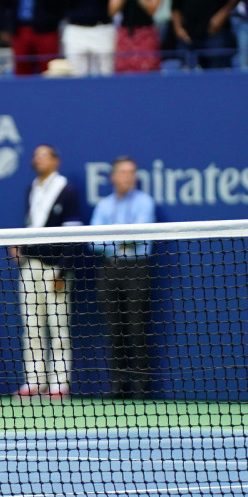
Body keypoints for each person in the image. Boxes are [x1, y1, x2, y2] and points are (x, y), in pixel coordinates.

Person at [13, 144, 81, 400]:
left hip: (55, 269)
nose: (39, 159)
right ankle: (34, 381)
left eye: (45, 155)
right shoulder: (32, 188)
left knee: (58, 326)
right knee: (31, 326)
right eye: (36, 155)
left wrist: (62, 271)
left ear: (56, 160)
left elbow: (73, 234)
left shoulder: (67, 190)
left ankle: (59, 384)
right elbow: (31, 222)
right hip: (30, 266)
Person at [90, 156, 157, 399]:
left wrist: (113, 237)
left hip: (137, 269)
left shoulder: (145, 202)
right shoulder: (104, 206)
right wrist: (120, 241)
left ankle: (142, 388)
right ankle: (118, 387)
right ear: (113, 177)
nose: (128, 176)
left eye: (132, 172)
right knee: (114, 329)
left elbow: (139, 234)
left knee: (137, 328)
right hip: (109, 270)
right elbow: (93, 241)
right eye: (124, 172)